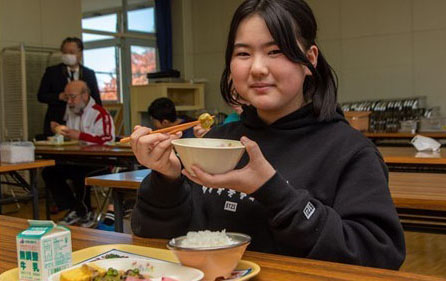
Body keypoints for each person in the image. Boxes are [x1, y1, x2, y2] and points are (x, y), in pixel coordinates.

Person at [129, 0, 405, 269]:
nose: (258, 68)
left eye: (275, 51)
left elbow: (379, 256)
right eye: (243, 54)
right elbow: (155, 239)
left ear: (310, 60)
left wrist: (272, 190)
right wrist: (167, 178)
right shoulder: (218, 141)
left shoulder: (350, 151)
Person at [42, 80, 115, 226]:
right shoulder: (71, 111)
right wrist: (58, 129)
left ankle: (83, 211)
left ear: (85, 95)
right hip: (77, 159)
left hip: (100, 162)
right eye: (67, 97)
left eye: (72, 97)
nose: (69, 101)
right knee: (49, 172)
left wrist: (79, 135)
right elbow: (71, 136)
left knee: (80, 174)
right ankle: (76, 208)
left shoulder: (100, 113)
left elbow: (107, 139)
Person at [37, 37, 101, 138]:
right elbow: (41, 96)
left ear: (80, 53)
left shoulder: (88, 74)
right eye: (65, 52)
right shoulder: (52, 72)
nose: (68, 55)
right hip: (57, 121)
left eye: (71, 52)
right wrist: (59, 96)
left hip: (83, 123)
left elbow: (96, 99)